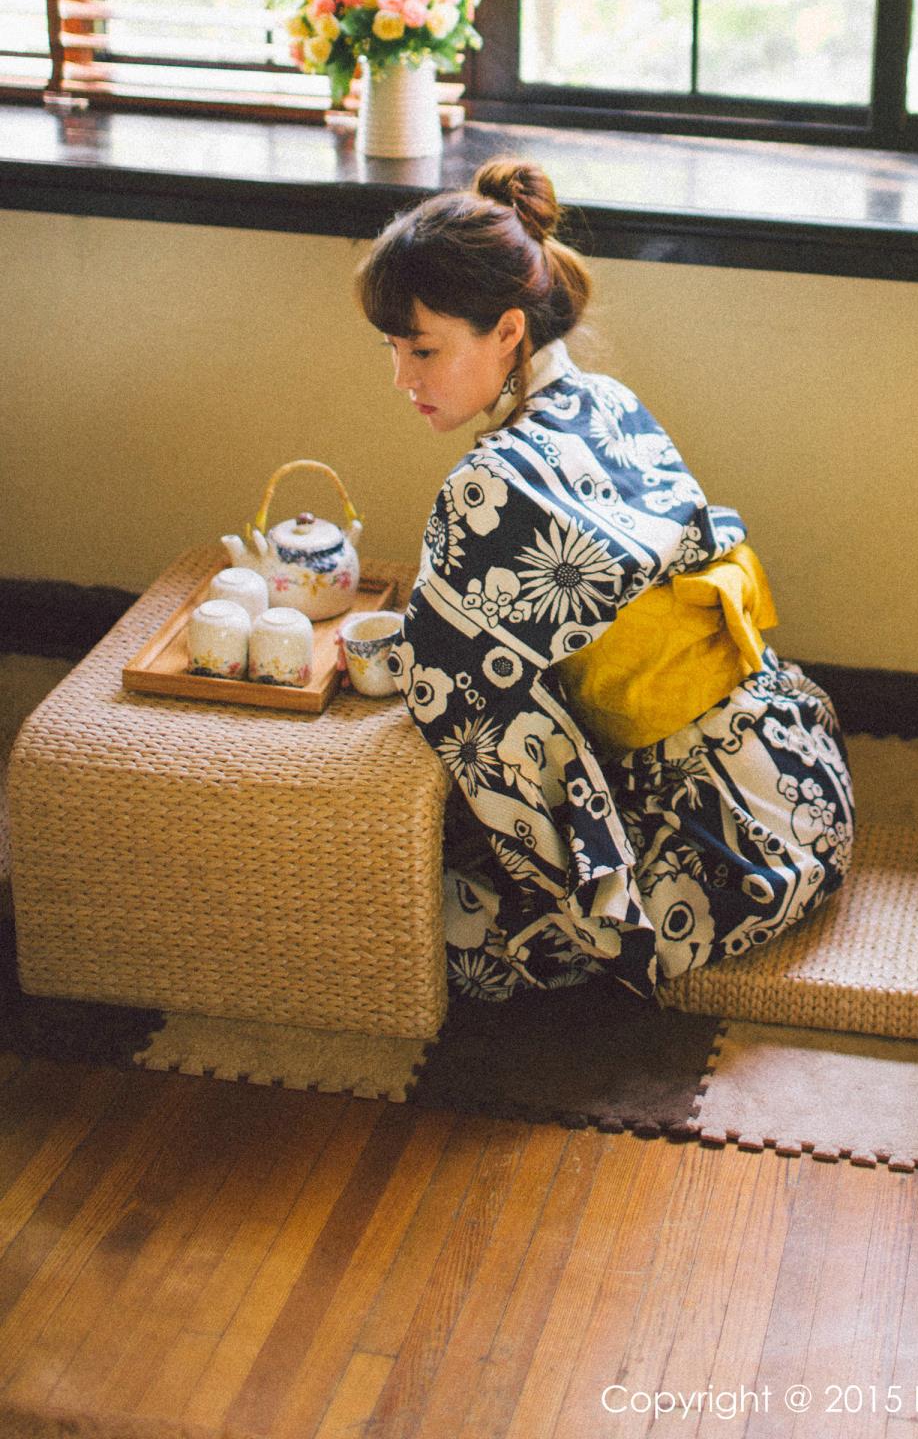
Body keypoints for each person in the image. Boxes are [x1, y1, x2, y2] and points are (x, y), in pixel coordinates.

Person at [356, 156, 855, 1003]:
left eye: (423, 349)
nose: (402, 379)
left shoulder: (492, 483)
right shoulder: (605, 399)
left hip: (723, 859)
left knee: (413, 916)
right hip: (802, 788)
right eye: (393, 350)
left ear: (507, 331)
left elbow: (455, 698)